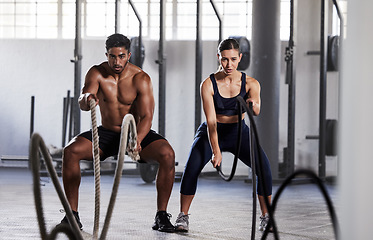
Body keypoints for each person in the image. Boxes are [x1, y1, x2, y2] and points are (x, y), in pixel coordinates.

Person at [58, 33, 176, 233]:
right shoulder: (96, 73)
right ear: (106, 55)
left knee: (167, 154)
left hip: (133, 133)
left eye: (121, 56)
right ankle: (72, 215)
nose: (117, 61)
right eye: (112, 56)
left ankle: (162, 215)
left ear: (128, 55)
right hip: (107, 133)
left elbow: (147, 116)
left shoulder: (141, 78)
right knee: (70, 151)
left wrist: (137, 140)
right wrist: (87, 98)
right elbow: (84, 101)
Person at [174, 38, 273, 232]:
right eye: (225, 59)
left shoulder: (251, 83)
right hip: (213, 131)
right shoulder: (208, 84)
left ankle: (266, 216)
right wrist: (216, 150)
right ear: (219, 57)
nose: (229, 64)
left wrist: (252, 105)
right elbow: (211, 120)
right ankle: (183, 216)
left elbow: (257, 109)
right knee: (191, 168)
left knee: (264, 169)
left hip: (239, 133)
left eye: (233, 59)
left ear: (240, 58)